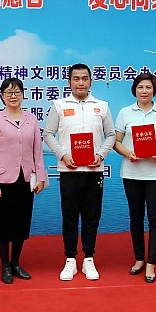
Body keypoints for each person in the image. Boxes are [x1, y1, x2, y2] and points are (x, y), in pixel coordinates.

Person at [45, 63, 115, 281]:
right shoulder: (58, 105)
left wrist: (101, 155)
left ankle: (89, 259)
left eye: (85, 78)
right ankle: (70, 259)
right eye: (76, 79)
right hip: (69, 170)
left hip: (94, 171)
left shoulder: (102, 106)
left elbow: (111, 135)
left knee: (92, 216)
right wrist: (63, 155)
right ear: (69, 82)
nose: (81, 83)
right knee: (70, 217)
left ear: (91, 81)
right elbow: (48, 134)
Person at [113, 72, 156, 283]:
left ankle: (151, 263)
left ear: (154, 90)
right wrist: (128, 153)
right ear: (134, 90)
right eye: (140, 87)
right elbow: (116, 142)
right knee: (136, 218)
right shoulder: (125, 112)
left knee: (155, 219)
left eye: (148, 87)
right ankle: (139, 258)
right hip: (132, 173)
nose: (144, 91)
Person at [0, 78, 47, 284]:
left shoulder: (32, 119)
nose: (13, 96)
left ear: (23, 94)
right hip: (3, 180)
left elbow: (37, 151)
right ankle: (5, 266)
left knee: (21, 222)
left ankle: (16, 263)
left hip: (25, 179)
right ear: (2, 96)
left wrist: (40, 177)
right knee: (2, 224)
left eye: (17, 92)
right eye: (8, 92)